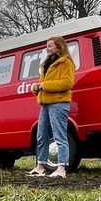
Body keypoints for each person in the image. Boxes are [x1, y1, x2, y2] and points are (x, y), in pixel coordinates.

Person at [27, 36, 76, 179]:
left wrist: (45, 86)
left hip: (59, 103)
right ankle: (40, 166)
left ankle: (61, 168)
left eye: (49, 46)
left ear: (58, 47)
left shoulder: (66, 63)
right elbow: (43, 83)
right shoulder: (46, 63)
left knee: (59, 135)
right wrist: (36, 87)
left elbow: (67, 83)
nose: (47, 48)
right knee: (41, 135)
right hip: (45, 103)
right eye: (47, 46)